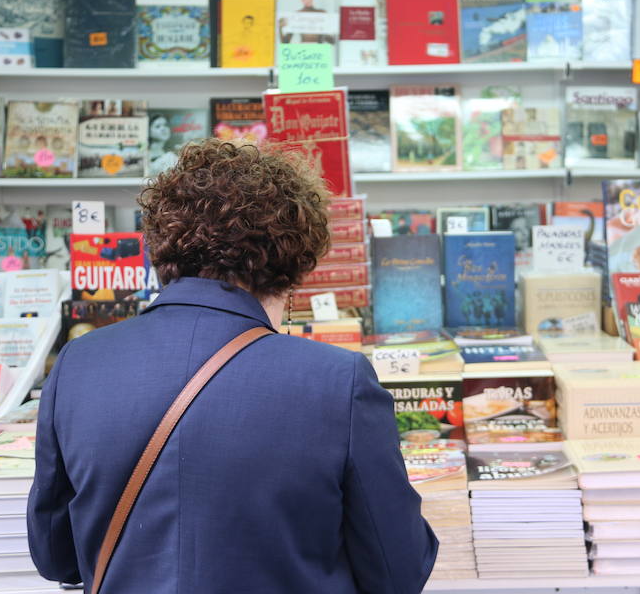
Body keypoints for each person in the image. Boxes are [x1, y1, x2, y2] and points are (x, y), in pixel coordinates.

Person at [28, 139, 438, 594]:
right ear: (291, 264)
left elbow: (55, 557)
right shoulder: (339, 380)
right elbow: (397, 571)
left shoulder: (79, 363)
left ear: (165, 250)